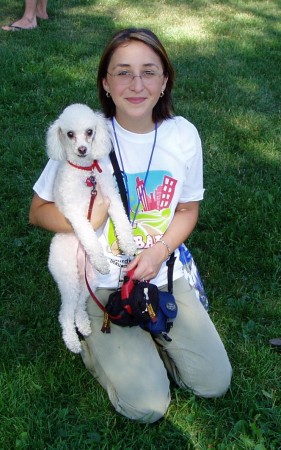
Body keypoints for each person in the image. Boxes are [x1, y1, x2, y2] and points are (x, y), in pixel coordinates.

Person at [29, 28, 232, 423]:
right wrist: (93, 219)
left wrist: (158, 251)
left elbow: (187, 209)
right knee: (147, 406)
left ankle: (149, 339)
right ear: (105, 83)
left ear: (165, 80)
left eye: (149, 72)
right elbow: (38, 212)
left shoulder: (183, 135)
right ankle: (99, 342)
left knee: (213, 382)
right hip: (101, 281)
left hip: (160, 274)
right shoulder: (84, 134)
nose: (136, 84)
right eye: (122, 72)